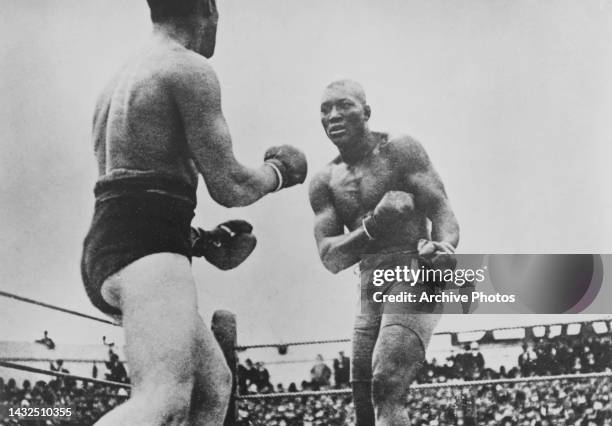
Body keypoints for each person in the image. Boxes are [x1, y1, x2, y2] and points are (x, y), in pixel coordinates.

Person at [80, 1, 307, 424]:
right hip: (147, 253)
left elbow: (131, 191)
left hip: (115, 246)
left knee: (211, 386)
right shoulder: (187, 69)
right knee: (161, 401)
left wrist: (198, 240)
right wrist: (278, 173)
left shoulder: (118, 79)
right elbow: (231, 185)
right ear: (208, 10)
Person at [309, 79, 459, 425]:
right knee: (364, 404)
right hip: (368, 284)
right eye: (324, 109)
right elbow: (330, 257)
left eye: (343, 105)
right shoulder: (324, 181)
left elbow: (443, 213)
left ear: (366, 111)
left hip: (414, 270)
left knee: (387, 381)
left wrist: (444, 247)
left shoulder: (400, 150)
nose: (333, 115)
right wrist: (374, 224)